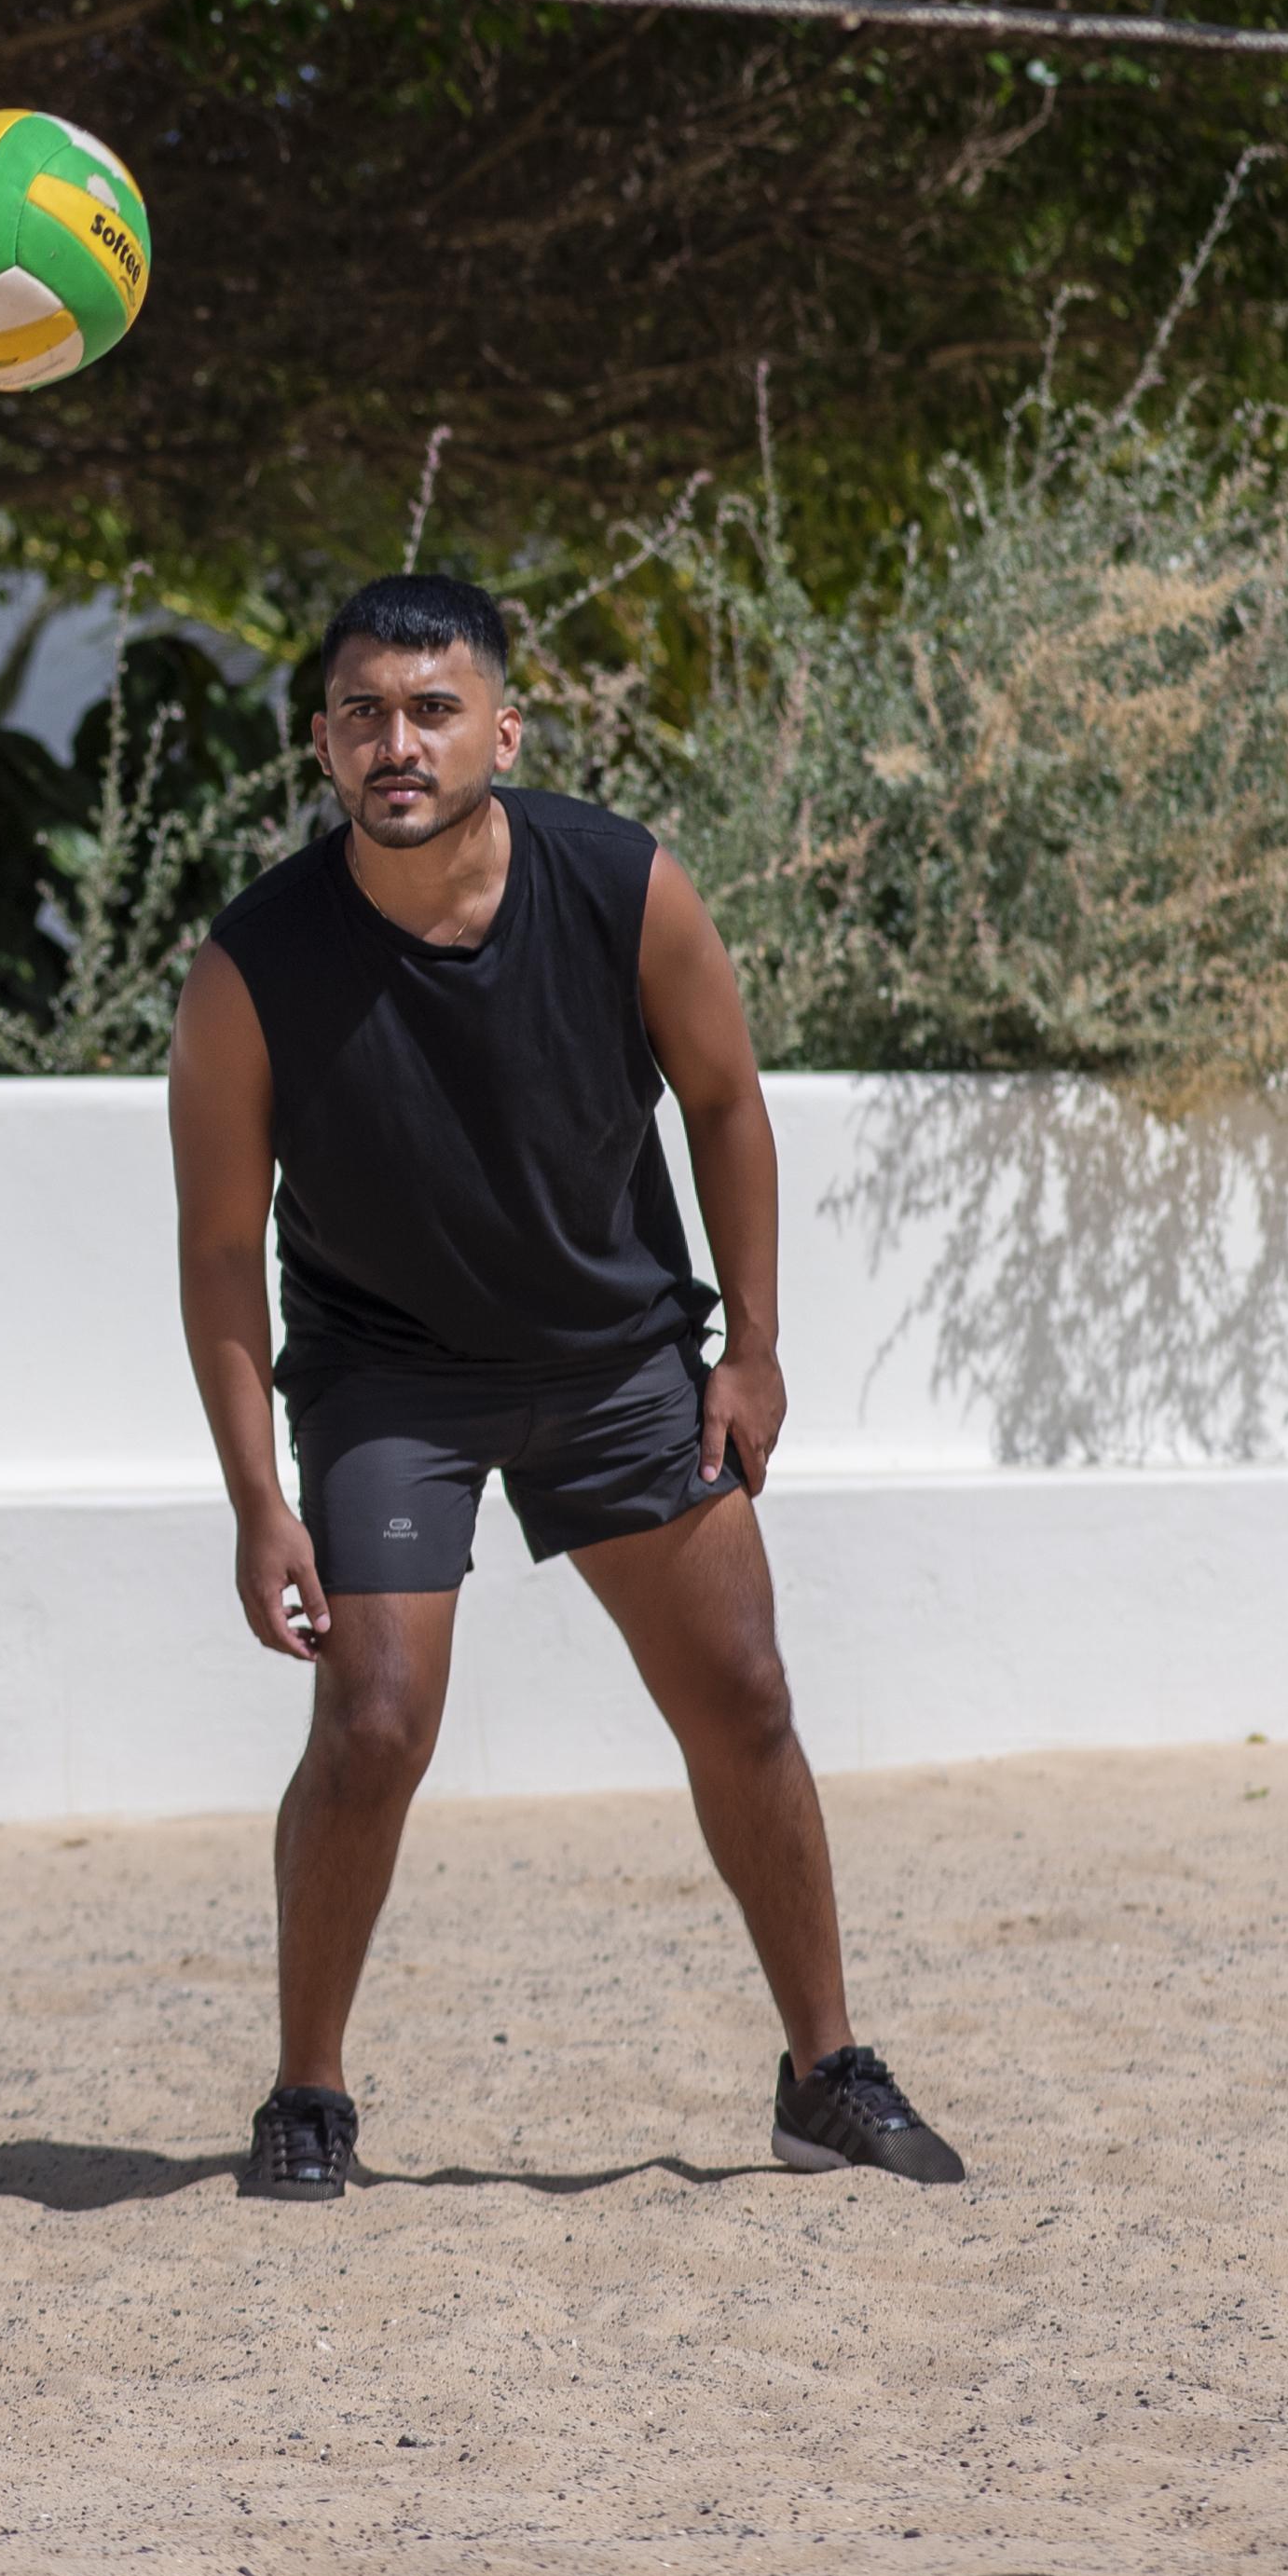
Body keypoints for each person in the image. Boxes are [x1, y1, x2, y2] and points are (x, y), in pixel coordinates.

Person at [164, 571, 965, 2200]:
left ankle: (825, 2068)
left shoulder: (621, 884)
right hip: (390, 1376)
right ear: (321, 741)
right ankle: (307, 2091)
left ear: (500, 729)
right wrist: (260, 1499)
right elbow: (215, 1255)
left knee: (743, 1696)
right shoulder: (249, 970)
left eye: (434, 708)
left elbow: (728, 1103)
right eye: (366, 713)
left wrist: (752, 1345)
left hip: (617, 1358)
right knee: (375, 1720)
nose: (400, 741)